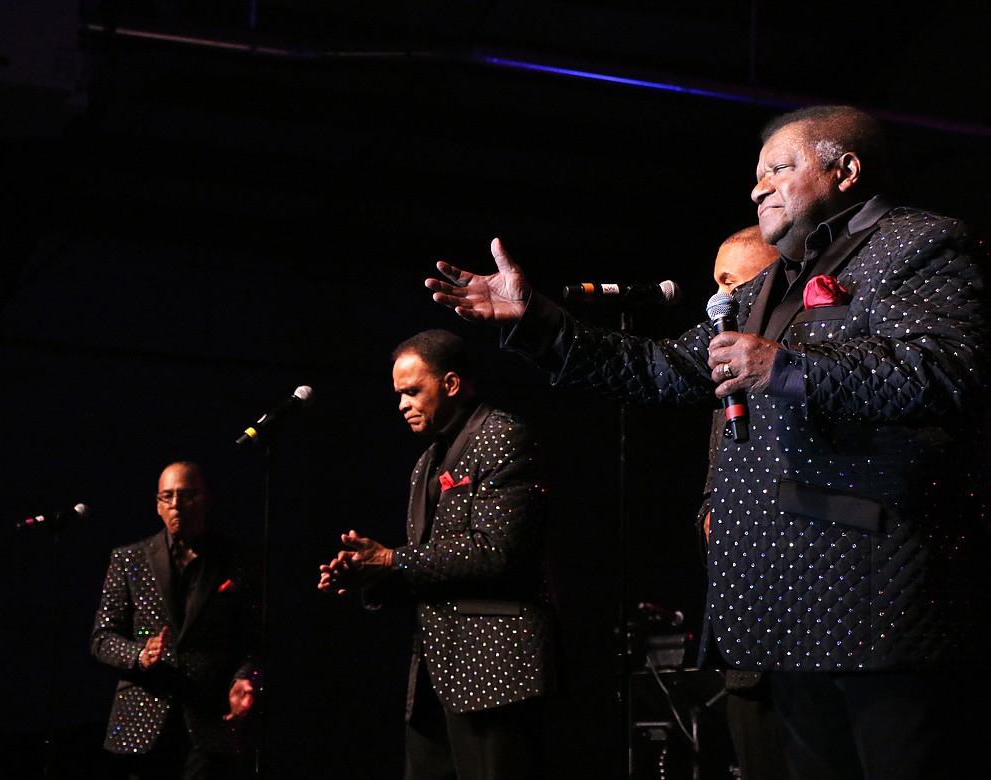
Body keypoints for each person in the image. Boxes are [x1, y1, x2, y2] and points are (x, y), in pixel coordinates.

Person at [425, 105, 991, 780]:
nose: (758, 188)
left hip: (878, 596)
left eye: (779, 169)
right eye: (756, 176)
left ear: (847, 171)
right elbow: (662, 368)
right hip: (785, 605)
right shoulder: (763, 286)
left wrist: (786, 367)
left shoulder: (920, 243)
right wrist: (539, 324)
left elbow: (945, 371)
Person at [318, 329, 558, 780]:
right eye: (399, 394)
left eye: (412, 391)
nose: (402, 404)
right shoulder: (426, 462)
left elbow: (496, 552)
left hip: (496, 671)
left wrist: (391, 560)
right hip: (436, 673)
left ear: (449, 384)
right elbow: (428, 563)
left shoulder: (502, 435)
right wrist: (369, 573)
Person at [92, 461, 260, 780]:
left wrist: (245, 678)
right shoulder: (129, 560)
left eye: (186, 495)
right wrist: (140, 655)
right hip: (143, 720)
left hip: (211, 718)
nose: (176, 504)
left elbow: (253, 640)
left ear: (206, 500)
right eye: (166, 496)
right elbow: (101, 638)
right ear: (157, 505)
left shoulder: (239, 563)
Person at [701, 226, 788, 780]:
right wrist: (709, 516)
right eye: (715, 284)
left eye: (730, 282)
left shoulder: (800, 357)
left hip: (815, 620)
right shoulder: (723, 370)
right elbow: (715, 481)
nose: (719, 298)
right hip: (746, 627)